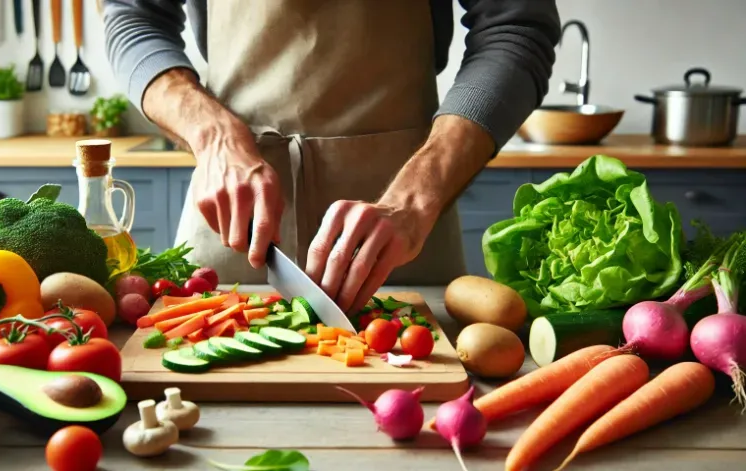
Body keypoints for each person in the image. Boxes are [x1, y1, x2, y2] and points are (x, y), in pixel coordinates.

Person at [104, 0, 561, 313]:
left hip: (402, 231)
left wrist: (417, 196)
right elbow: (134, 17)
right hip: (233, 217)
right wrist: (213, 134)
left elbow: (516, 26)